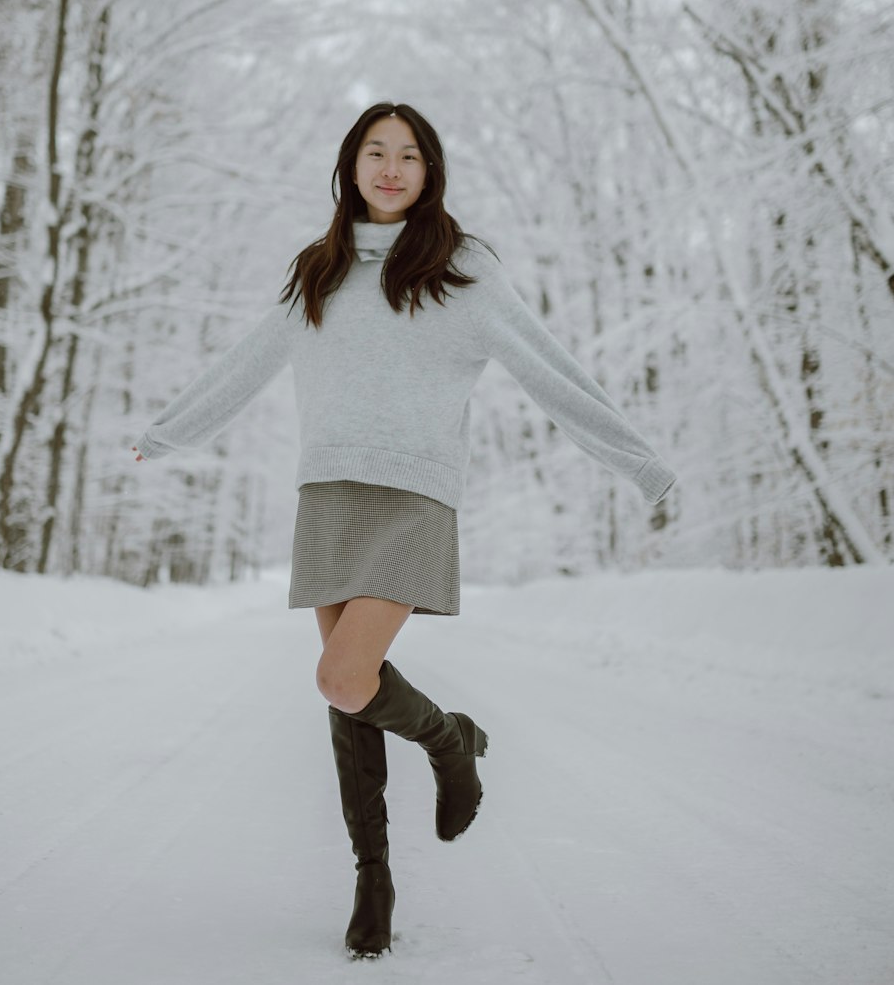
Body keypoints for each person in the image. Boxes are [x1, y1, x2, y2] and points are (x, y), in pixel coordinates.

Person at [133, 101, 676, 960]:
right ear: (350, 165)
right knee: (346, 692)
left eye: (410, 156)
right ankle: (373, 878)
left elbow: (547, 365)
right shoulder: (320, 267)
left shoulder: (460, 268)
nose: (391, 169)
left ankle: (451, 742)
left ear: (431, 172)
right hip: (330, 493)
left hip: (414, 494)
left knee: (345, 678)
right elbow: (248, 360)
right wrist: (168, 432)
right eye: (375, 153)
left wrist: (638, 459)